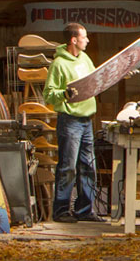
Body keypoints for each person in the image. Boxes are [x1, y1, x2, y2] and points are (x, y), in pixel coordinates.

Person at [44, 22, 102, 223]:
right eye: (84, 37)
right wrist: (64, 93)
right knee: (68, 167)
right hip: (70, 121)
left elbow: (95, 80)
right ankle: (61, 211)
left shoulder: (85, 59)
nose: (87, 40)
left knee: (88, 166)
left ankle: (84, 210)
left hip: (87, 120)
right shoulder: (58, 64)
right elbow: (49, 94)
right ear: (73, 40)